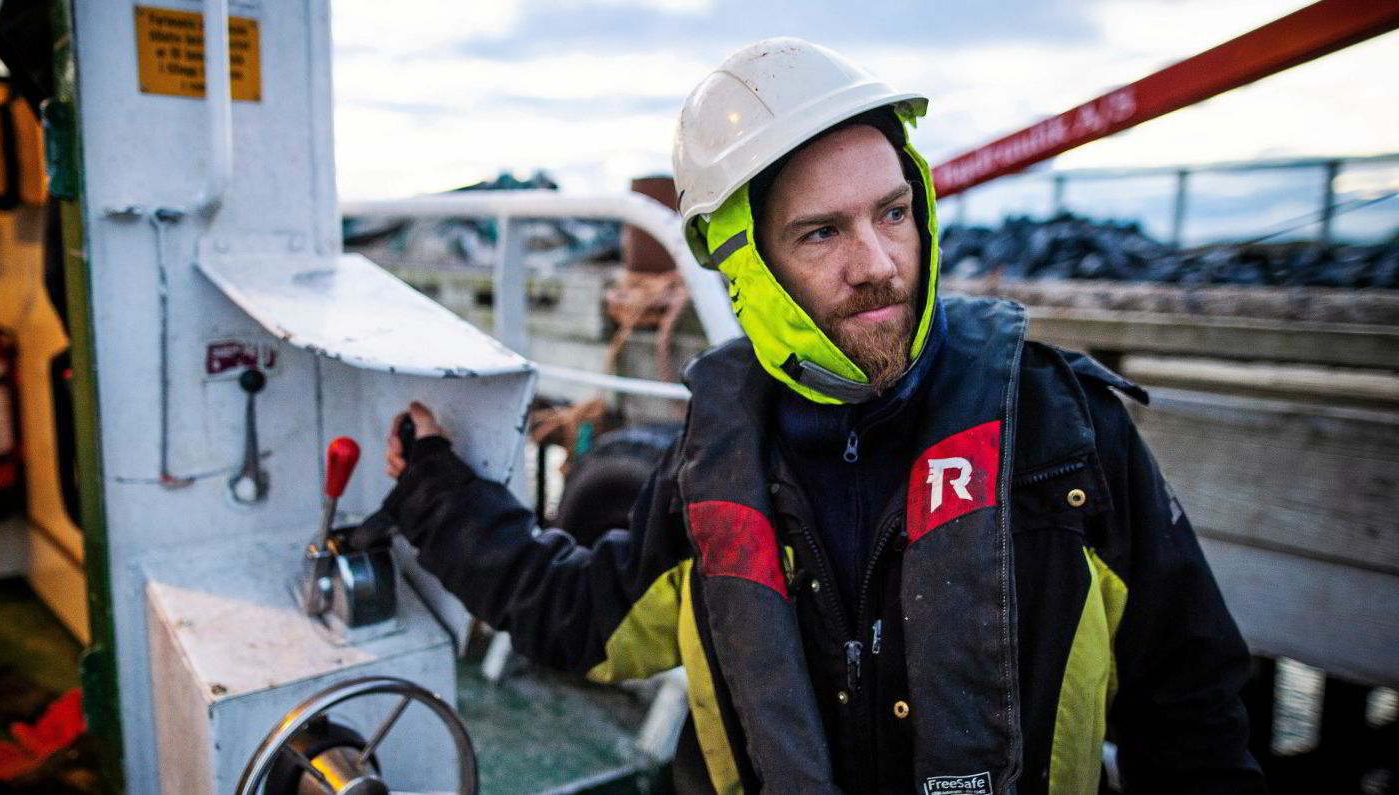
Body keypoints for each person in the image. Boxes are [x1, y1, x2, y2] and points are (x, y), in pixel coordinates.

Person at [379, 38, 1264, 795]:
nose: (878, 263)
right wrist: (435, 487)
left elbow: (1189, 708)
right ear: (745, 264)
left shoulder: (1059, 433)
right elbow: (583, 616)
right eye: (822, 233)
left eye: (893, 213)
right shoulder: (714, 466)